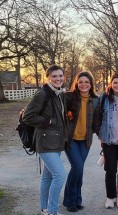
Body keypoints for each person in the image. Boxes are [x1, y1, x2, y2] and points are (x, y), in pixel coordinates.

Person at [22, 65, 67, 215]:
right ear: (48, 77)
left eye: (60, 76)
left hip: (56, 142)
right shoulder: (42, 94)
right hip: (45, 143)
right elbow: (27, 117)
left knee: (47, 176)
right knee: (60, 176)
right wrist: (47, 121)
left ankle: (44, 208)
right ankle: (53, 212)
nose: (58, 79)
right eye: (54, 76)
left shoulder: (58, 93)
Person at [93, 73, 118, 209]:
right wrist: (100, 134)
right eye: (115, 83)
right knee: (110, 171)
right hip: (109, 142)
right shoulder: (103, 98)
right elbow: (97, 118)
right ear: (111, 84)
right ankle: (110, 197)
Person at [63, 71, 99, 212]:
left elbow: (97, 121)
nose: (83, 84)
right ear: (76, 84)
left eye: (87, 82)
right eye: (81, 82)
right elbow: (54, 107)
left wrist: (101, 136)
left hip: (85, 141)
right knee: (77, 167)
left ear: (91, 84)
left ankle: (77, 200)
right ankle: (69, 201)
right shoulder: (69, 97)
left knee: (79, 170)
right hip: (70, 139)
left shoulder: (95, 100)